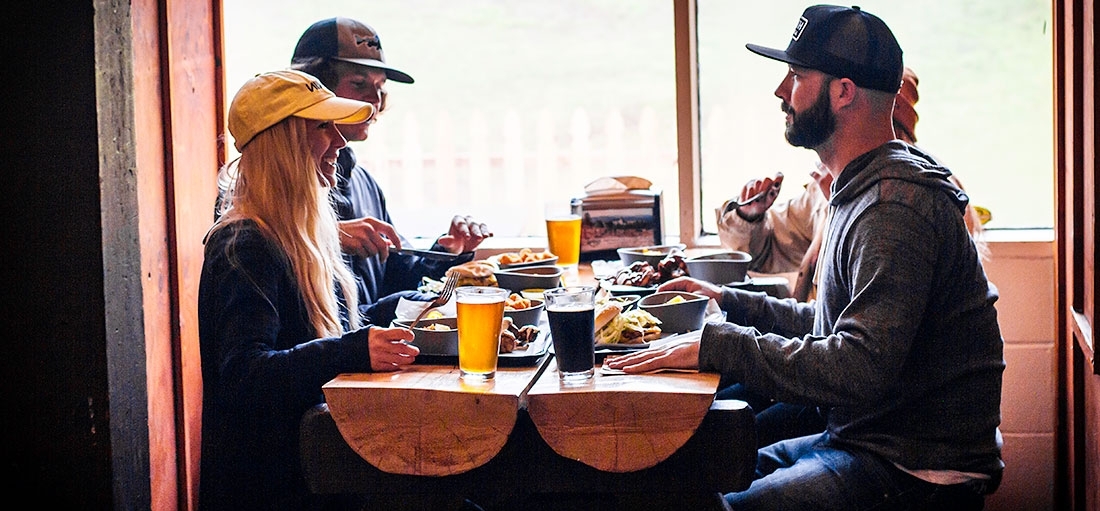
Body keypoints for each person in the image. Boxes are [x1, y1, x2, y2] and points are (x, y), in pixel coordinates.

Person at [606, 5, 1004, 510]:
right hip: (864, 440)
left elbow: (857, 366)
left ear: (842, 91)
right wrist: (728, 302)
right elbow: (830, 324)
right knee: (693, 475)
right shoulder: (862, 186)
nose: (780, 91)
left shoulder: (893, 207)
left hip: (916, 468)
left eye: (795, 75)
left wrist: (719, 346)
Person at [198, 69, 420, 510]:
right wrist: (352, 350)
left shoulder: (290, 235)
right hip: (274, 490)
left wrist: (403, 307)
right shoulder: (243, 245)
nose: (340, 141)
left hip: (318, 472)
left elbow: (309, 337)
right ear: (283, 143)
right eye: (323, 127)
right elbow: (245, 376)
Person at [718, 66, 990, 302]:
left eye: (798, 75)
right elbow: (769, 252)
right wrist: (748, 217)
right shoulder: (825, 185)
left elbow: (861, 347)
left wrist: (844, 208)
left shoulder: (917, 199)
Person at [287, 17, 493, 326]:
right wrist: (327, 238)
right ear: (314, 90)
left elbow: (392, 278)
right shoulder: (271, 183)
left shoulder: (363, 181)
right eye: (359, 84)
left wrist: (445, 252)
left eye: (380, 87)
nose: (376, 100)